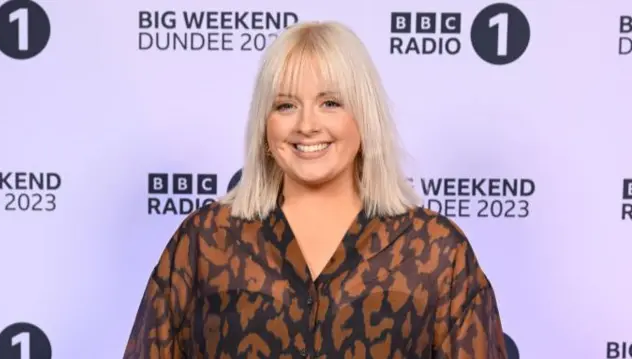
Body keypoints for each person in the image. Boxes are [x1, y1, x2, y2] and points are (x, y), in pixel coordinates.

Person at [123, 21, 507, 359]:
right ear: (264, 124)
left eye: (330, 103)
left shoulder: (437, 251)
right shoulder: (205, 242)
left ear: (364, 115)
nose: (307, 125)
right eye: (286, 105)